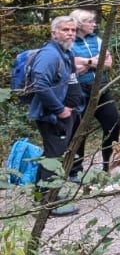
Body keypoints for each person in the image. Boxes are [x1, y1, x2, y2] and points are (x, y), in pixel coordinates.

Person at [26, 16, 83, 215]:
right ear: (54, 33)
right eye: (65, 29)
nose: (70, 33)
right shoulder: (49, 55)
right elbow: (40, 85)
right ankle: (47, 206)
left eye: (73, 30)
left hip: (65, 115)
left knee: (52, 155)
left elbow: (71, 81)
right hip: (50, 116)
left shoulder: (66, 53)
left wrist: (74, 107)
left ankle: (44, 195)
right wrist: (60, 109)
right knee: (54, 156)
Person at [69, 9, 120, 174]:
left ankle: (108, 166)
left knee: (113, 124)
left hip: (101, 88)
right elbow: (72, 67)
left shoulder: (97, 40)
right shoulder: (69, 41)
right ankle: (75, 170)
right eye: (90, 21)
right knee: (79, 129)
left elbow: (108, 64)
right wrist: (94, 60)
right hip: (78, 90)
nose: (94, 24)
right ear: (79, 23)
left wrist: (84, 62)